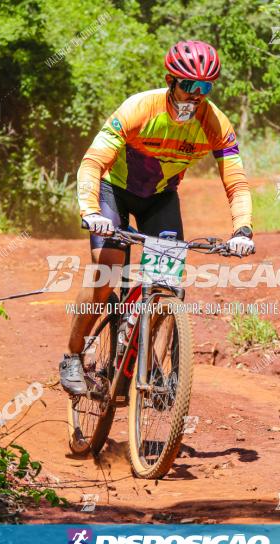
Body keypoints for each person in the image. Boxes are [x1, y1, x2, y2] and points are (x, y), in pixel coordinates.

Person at [59, 40, 255, 396]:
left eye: (205, 88)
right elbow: (92, 162)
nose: (195, 95)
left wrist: (242, 229)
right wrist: (90, 210)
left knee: (166, 282)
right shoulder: (140, 107)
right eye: (188, 85)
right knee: (108, 270)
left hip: (160, 197)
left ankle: (147, 360)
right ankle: (72, 356)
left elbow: (236, 181)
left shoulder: (215, 122)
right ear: (170, 80)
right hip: (112, 191)